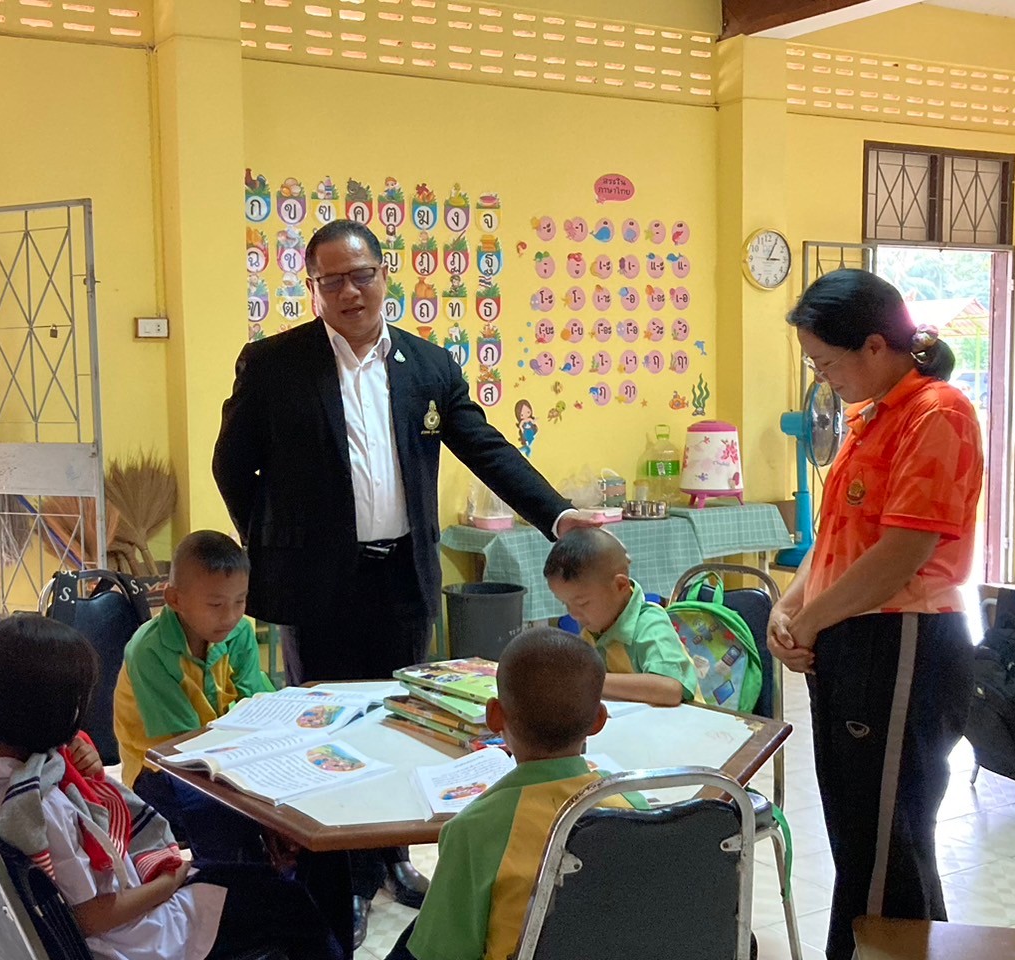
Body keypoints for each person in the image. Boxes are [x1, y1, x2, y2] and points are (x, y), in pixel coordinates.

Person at [213, 219, 595, 929]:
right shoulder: (273, 365)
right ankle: (342, 879)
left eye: (361, 275)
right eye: (332, 280)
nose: (349, 291)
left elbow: (485, 446)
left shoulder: (427, 365)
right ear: (313, 288)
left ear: (383, 275)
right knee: (331, 730)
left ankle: (389, 860)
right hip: (318, 584)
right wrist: (271, 542)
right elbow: (232, 466)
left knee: (404, 719)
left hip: (402, 579)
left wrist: (557, 513)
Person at [769, 269, 983, 960]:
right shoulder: (873, 417)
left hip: (901, 641)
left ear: (872, 345)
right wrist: (790, 604)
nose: (823, 378)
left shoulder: (937, 413)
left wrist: (811, 622)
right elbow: (838, 535)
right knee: (863, 837)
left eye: (826, 363)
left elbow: (902, 552)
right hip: (854, 637)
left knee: (887, 837)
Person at [0, 613, 345, 960]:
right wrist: (169, 881)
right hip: (136, 936)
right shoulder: (41, 808)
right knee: (292, 904)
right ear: (48, 716)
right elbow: (89, 917)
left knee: (258, 882)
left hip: (124, 913)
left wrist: (76, 758)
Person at [386, 627, 643, 960]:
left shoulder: (473, 830)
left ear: (494, 716)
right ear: (598, 721)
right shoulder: (631, 803)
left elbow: (443, 951)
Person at [113, 529, 274, 861]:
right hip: (162, 768)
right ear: (175, 599)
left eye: (240, 601)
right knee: (218, 809)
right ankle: (223, 878)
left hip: (226, 752)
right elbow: (183, 747)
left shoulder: (239, 633)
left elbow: (255, 709)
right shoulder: (149, 651)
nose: (230, 616)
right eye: (215, 604)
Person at [544, 527, 698, 706]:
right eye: (565, 603)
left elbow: (670, 689)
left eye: (582, 603)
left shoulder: (649, 624)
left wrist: (590, 681)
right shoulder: (595, 627)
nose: (573, 613)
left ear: (620, 586)